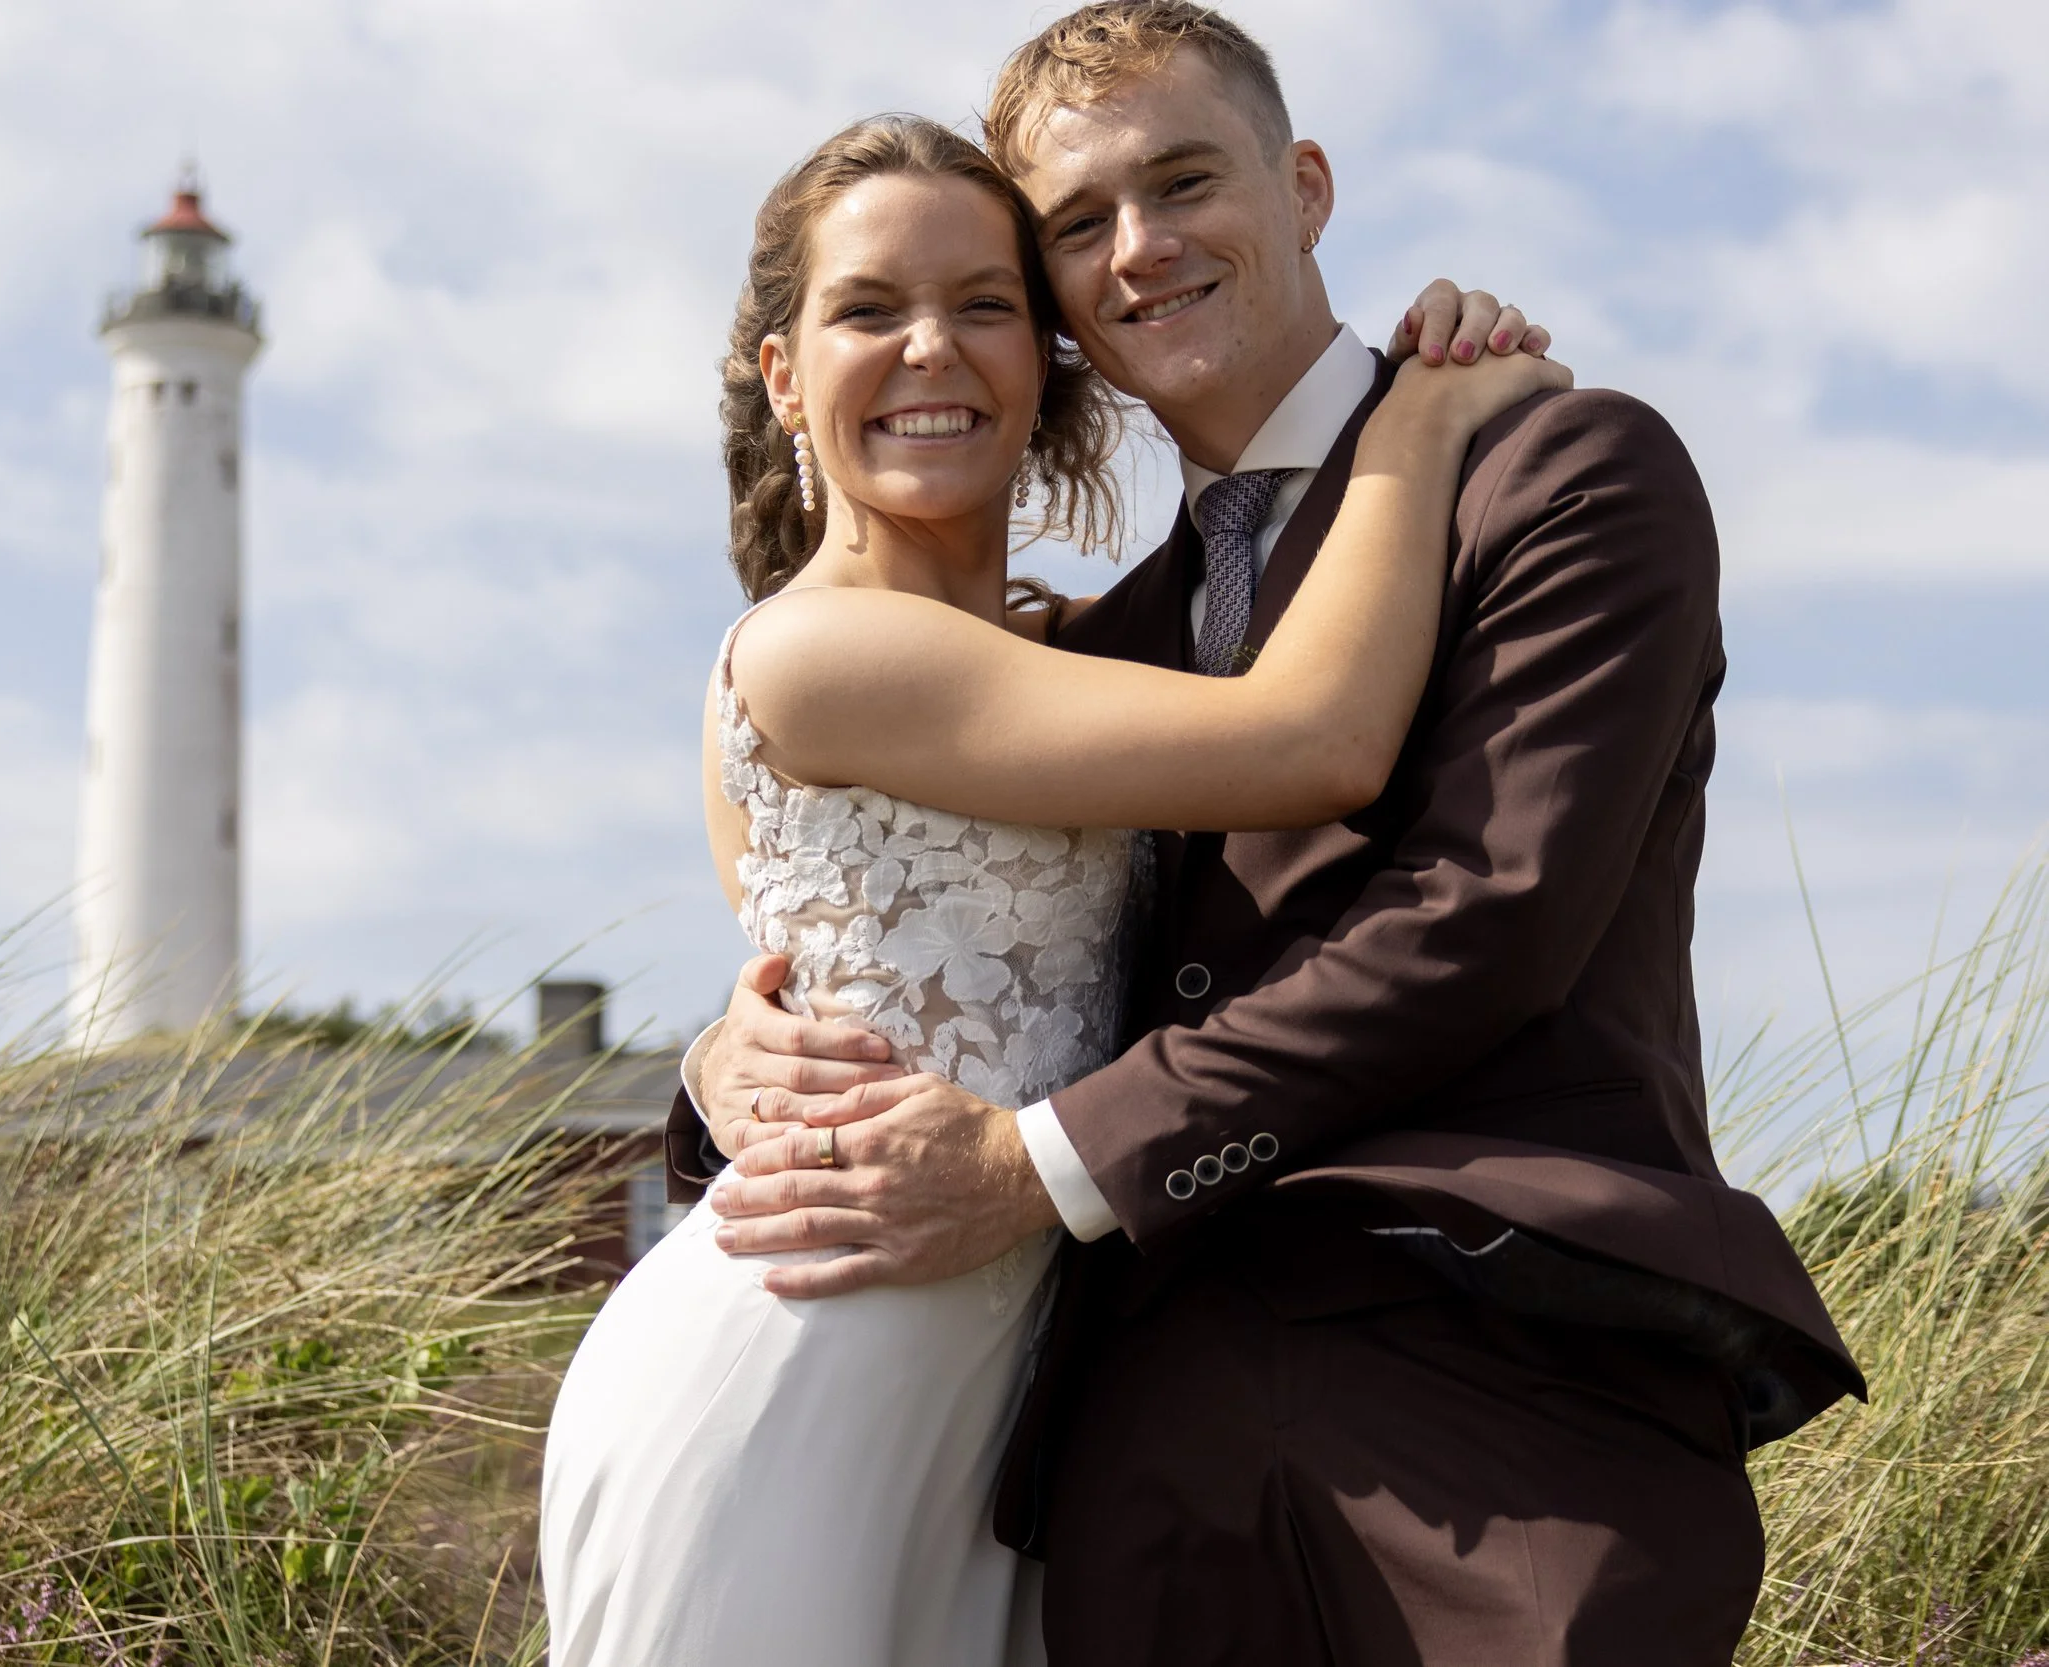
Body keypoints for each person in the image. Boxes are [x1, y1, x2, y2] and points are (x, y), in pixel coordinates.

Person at [680, 7, 1866, 1665]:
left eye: (1184, 180)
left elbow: (1491, 914)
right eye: (1080, 227)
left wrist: (1042, 1166)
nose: (1140, 248)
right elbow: (936, 929)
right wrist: (725, 1061)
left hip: (1503, 1389)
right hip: (1135, 1464)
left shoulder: (1563, 474)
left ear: (1305, 185)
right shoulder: (1083, 658)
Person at [539, 103, 1564, 1666]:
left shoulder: (1071, 653)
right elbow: (1316, 736)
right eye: (869, 309)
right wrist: (1418, 425)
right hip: (797, 1372)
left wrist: (717, 1045)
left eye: (985, 304)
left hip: (998, 1421)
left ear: (1048, 357)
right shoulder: (818, 650)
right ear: (783, 376)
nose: (931, 348)